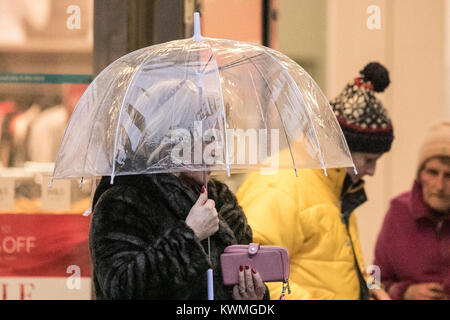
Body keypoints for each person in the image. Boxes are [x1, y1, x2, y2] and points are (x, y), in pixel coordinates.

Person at [89, 79, 267, 300]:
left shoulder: (221, 200)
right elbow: (121, 289)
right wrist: (189, 235)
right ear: (172, 139)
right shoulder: (123, 202)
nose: (217, 151)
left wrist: (251, 299)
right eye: (209, 139)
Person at [236, 62, 393, 300]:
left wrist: (369, 285)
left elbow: (335, 263)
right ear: (342, 150)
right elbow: (253, 274)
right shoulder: (281, 185)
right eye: (369, 159)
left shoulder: (335, 186)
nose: (372, 171)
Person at [374, 121, 450, 300]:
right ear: (420, 174)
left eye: (449, 175)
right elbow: (373, 280)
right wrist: (405, 292)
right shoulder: (398, 212)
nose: (439, 186)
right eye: (432, 172)